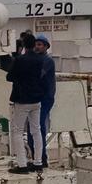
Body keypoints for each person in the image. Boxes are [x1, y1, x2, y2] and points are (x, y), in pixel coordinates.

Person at [6, 32, 47, 174]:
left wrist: (17, 57)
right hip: (36, 99)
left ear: (23, 44)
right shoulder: (40, 59)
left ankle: (22, 165)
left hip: (22, 99)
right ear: (34, 44)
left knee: (17, 131)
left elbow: (9, 77)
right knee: (36, 131)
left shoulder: (19, 59)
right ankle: (38, 162)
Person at [37, 35, 57, 168]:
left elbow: (39, 75)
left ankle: (42, 156)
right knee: (36, 126)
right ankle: (38, 155)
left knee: (39, 125)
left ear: (46, 47)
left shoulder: (47, 60)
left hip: (45, 97)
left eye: (40, 44)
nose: (37, 47)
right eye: (36, 44)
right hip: (39, 96)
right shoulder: (40, 59)